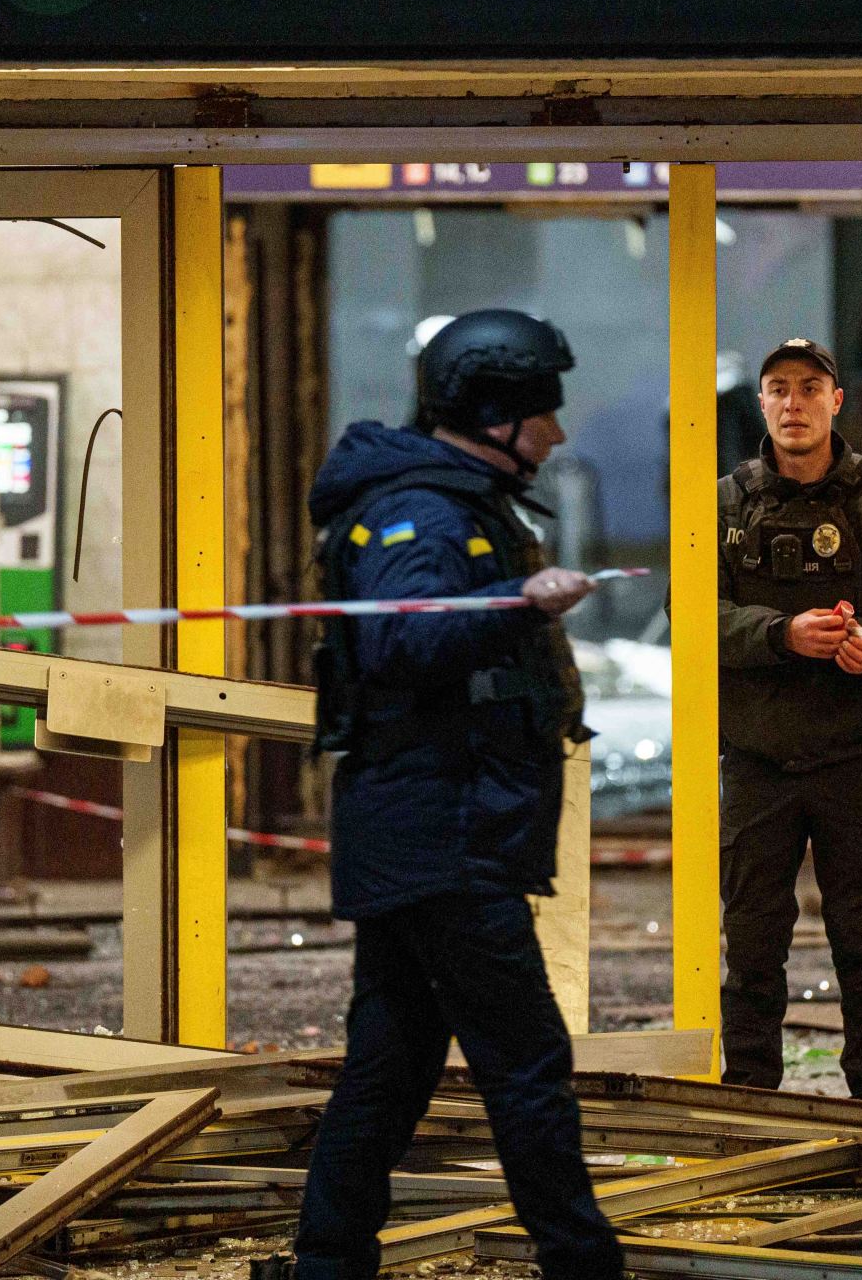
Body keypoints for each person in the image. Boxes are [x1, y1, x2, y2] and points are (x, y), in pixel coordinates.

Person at [290, 309, 623, 1280]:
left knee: (389, 1070)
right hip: (442, 831)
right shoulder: (421, 514)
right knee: (526, 1066)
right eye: (541, 415)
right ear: (489, 410)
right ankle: (580, 1263)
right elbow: (399, 643)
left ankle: (327, 1259)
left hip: (431, 830)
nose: (555, 435)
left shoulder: (449, 500)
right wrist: (514, 604)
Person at [715, 337, 862, 1102]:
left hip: (854, 757)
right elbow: (691, 617)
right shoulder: (723, 502)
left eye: (810, 388)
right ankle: (751, 1102)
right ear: (762, 403)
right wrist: (780, 636)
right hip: (757, 760)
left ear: (836, 401)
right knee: (753, 943)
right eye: (779, 389)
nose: (794, 404)